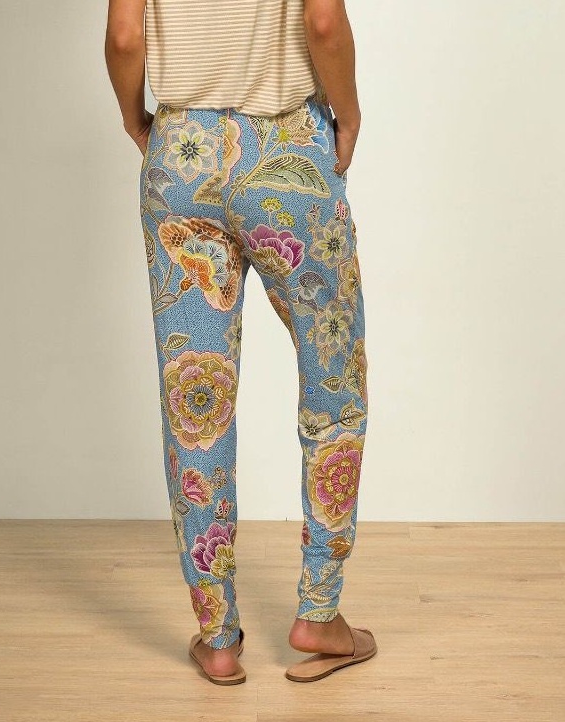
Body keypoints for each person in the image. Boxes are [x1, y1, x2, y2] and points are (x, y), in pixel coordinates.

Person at [104, 0, 377, 684]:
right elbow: (323, 22)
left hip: (181, 160)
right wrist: (348, 114)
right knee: (334, 377)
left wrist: (136, 118)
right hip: (288, 150)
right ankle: (319, 613)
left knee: (196, 397)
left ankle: (218, 636)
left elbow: (125, 35)